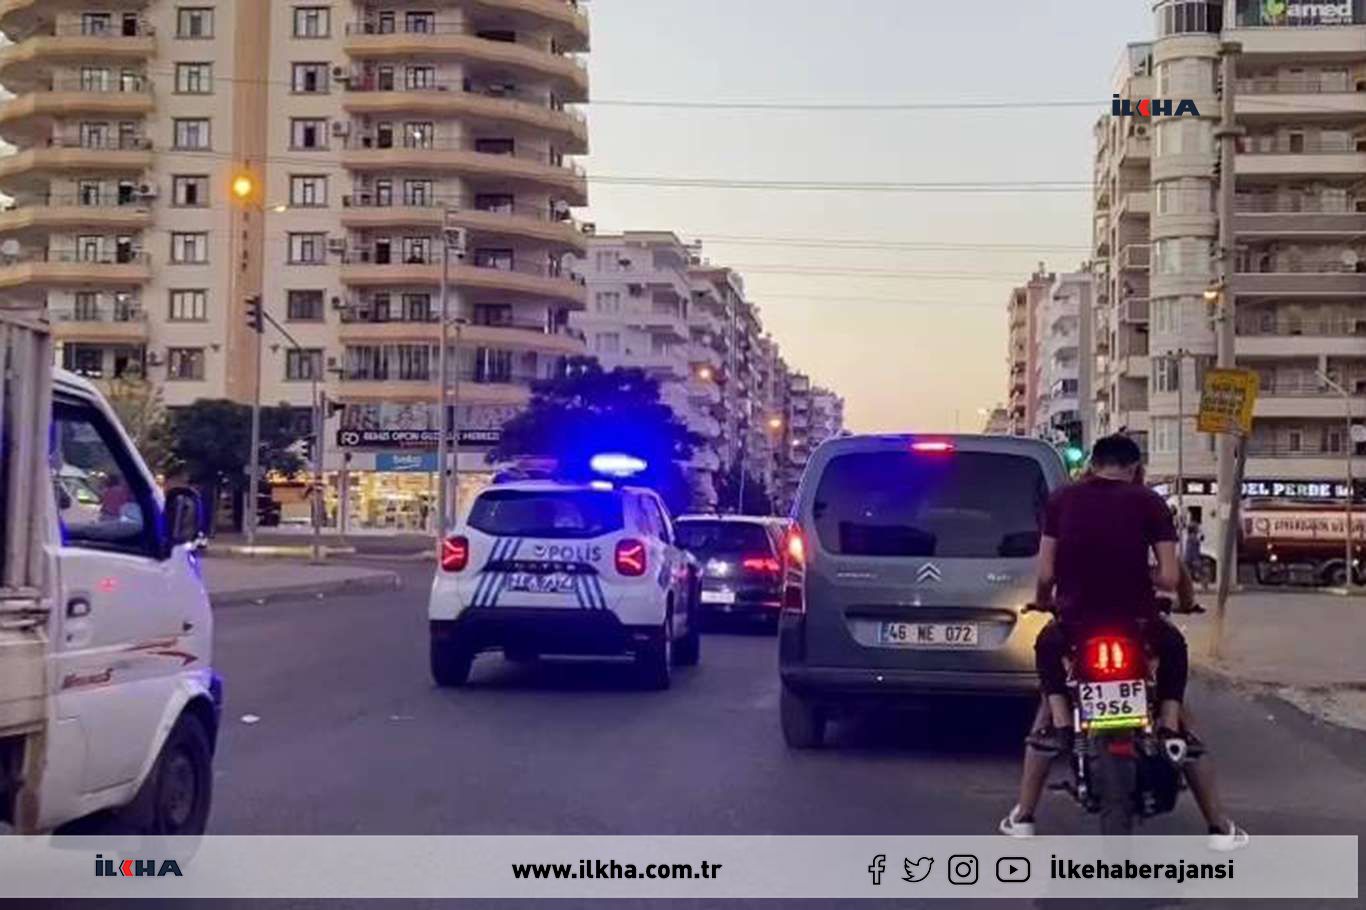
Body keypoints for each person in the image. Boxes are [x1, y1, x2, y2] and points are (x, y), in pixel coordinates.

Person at [999, 434, 1247, 849]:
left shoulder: (1062, 500)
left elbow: (1046, 573)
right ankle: (1208, 805)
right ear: (1135, 468)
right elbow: (1169, 577)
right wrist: (1141, 577)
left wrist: (1044, 601)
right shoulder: (1149, 502)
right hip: (1137, 625)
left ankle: (1030, 800)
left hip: (1077, 625)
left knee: (1047, 650)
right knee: (1173, 651)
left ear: (1093, 464)